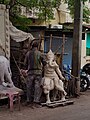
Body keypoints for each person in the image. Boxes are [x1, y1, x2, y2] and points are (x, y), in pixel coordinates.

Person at [24, 41, 44, 107]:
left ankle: (28, 101)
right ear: (37, 46)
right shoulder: (40, 53)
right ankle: (36, 101)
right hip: (38, 73)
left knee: (29, 87)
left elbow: (25, 64)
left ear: (32, 46)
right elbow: (44, 62)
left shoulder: (28, 53)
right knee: (37, 87)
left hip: (30, 73)